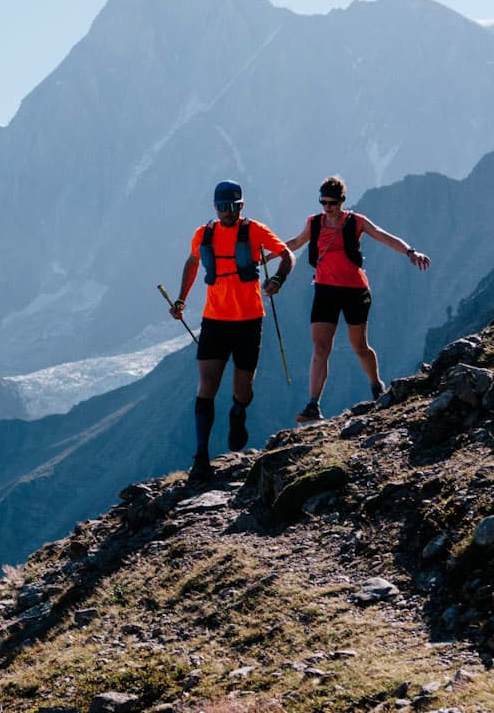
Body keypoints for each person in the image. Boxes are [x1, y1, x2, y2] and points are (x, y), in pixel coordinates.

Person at [168, 180, 293, 482]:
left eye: (232, 207)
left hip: (249, 320)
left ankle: (238, 413)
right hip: (215, 320)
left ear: (241, 206)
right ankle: (201, 457)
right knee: (207, 383)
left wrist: (277, 280)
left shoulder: (255, 232)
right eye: (221, 207)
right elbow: (193, 261)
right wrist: (181, 298)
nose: (226, 212)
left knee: (242, 388)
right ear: (215, 207)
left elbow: (287, 254)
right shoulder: (204, 234)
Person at [280, 174, 431, 422]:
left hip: (354, 290)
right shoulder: (314, 223)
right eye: (323, 202)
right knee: (320, 348)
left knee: (359, 345)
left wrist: (410, 252)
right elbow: (295, 243)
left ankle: (375, 386)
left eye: (332, 202)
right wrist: (268, 255)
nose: (327, 207)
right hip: (325, 290)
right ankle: (313, 404)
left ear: (342, 201)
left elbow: (383, 236)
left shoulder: (356, 221)